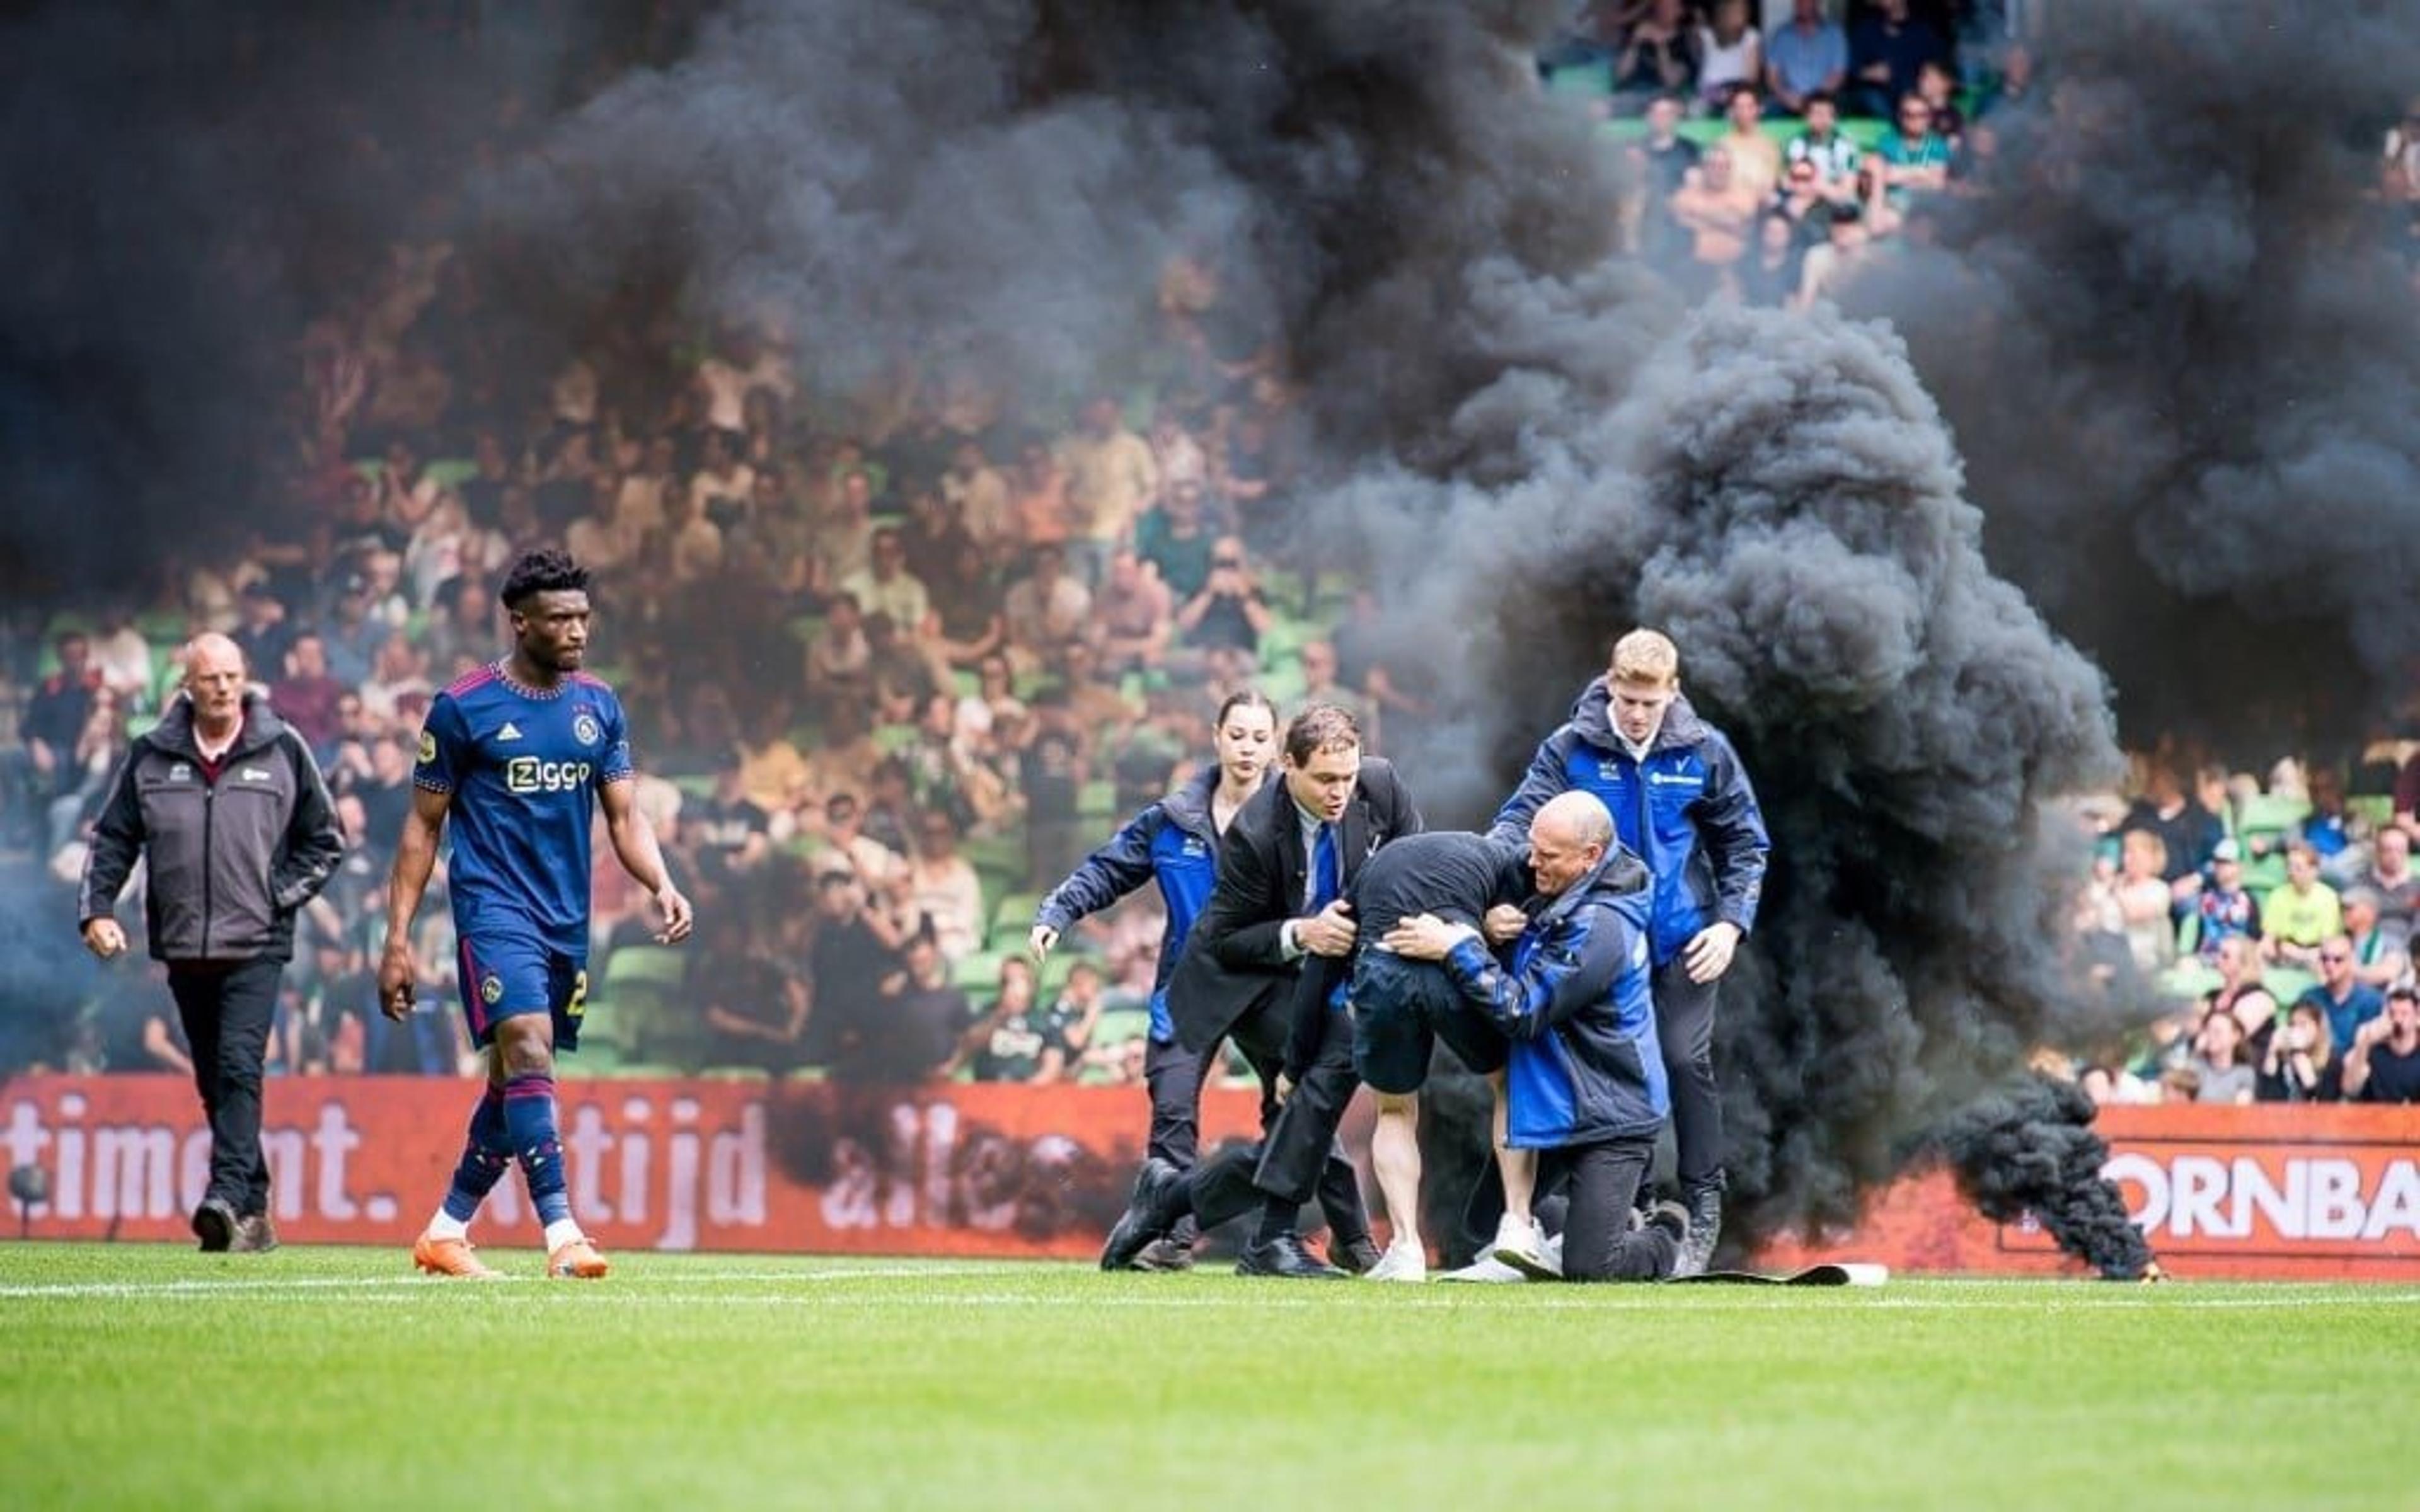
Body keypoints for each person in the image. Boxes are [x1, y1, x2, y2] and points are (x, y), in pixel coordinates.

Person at [379, 550, 694, 1281]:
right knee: (526, 1046)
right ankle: (563, 1235)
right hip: (493, 909)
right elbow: (421, 828)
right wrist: (396, 941)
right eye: (560, 619)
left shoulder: (598, 708)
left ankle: (446, 1229)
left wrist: (661, 882)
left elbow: (624, 817)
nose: (578, 631)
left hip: (565, 920)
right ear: (520, 623)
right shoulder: (463, 708)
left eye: (583, 617)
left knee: (514, 1076)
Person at [1035, 690, 1371, 1271]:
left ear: (1279, 751)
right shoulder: (1174, 819)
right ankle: (1171, 1240)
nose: (1247, 748)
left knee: (1306, 1110)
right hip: (1193, 987)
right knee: (1173, 1113)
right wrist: (1057, 913)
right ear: (1215, 737)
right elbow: (1109, 868)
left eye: (1260, 737)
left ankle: (1355, 1237)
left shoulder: (1307, 817)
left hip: (1273, 982)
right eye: (1237, 735)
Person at [1489, 628, 1767, 1276]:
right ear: (1610, 684)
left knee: (1679, 1057)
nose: (1636, 713)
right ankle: (1634, 1204)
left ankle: (1700, 1208)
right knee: (1610, 1069)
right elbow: (1516, 822)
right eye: (1627, 698)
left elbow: (1746, 847)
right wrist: (1486, 886)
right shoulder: (1569, 749)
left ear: (1672, 693)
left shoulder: (1704, 751)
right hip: (1602, 944)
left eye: (1649, 702)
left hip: (1681, 942)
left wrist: (1730, 925)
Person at [1103, 704, 1415, 1279]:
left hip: (1317, 975)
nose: (1341, 791)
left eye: (1347, 777)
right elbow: (1225, 940)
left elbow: (1407, 861)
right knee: (1335, 1062)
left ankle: (1176, 1200)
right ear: (1287, 766)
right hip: (1244, 980)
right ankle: (1281, 1241)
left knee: (1305, 1113)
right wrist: (1304, 932)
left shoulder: (1379, 786)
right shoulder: (1253, 833)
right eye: (1325, 779)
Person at [77, 634, 345, 1254]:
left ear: (245, 679)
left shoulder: (283, 749)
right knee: (211, 1076)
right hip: (182, 943)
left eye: (232, 676)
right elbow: (113, 839)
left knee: (237, 1064)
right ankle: (253, 1205)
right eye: (210, 678)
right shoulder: (150, 755)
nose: (223, 688)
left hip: (258, 942)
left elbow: (324, 839)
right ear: (187, 686)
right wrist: (97, 911)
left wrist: (275, 895)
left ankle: (223, 1197)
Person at [1387, 791, 1686, 1283]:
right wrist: (1484, 927)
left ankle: (1663, 1233)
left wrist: (1457, 946)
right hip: (1553, 1105)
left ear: (1590, 857)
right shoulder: (1560, 888)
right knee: (1485, 1228)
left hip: (1612, 1117)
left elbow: (1520, 1010)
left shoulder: (1602, 927)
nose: (1532, 862)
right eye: (1533, 848)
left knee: (1591, 1267)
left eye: (1547, 856)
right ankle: (1604, 1220)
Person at [1283, 827, 1537, 1281]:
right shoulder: (1505, 863)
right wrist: (1487, 925)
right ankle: (1517, 1226)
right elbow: (1537, 896)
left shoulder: (1362, 881)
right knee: (1509, 1083)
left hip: (1383, 966)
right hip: (1452, 967)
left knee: (1395, 1110)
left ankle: (1405, 1251)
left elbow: (1319, 971)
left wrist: (1294, 1064)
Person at [2342, 986, 2420, 1103]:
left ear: (2417, 1016)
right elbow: (2350, 1089)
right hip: (2375, 1117)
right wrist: (2365, 1042)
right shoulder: (2372, 1050)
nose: (2397, 1019)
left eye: (2404, 1014)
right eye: (2392, 1013)